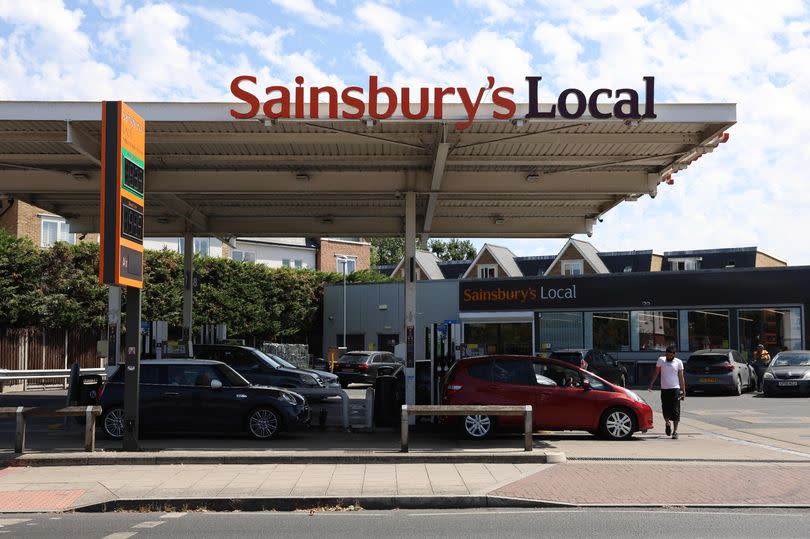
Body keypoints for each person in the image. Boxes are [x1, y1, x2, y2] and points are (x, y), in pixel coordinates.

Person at [647, 346, 685, 439]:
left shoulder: (678, 362)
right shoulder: (661, 360)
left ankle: (675, 432)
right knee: (665, 408)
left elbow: (681, 377)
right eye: (667, 355)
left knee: (676, 410)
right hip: (664, 389)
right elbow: (656, 372)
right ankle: (667, 423)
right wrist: (651, 384)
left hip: (675, 388)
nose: (668, 357)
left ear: (674, 355)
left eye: (670, 355)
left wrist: (683, 391)